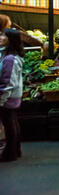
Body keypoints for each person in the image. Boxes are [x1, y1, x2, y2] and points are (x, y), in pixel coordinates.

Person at [0, 29, 24, 162]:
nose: (0, 37)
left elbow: (8, 80)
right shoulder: (9, 55)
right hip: (13, 95)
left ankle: (10, 153)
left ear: (10, 39)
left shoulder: (9, 59)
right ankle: (15, 150)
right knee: (12, 122)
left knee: (9, 123)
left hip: (8, 96)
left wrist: (2, 98)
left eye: (4, 35)